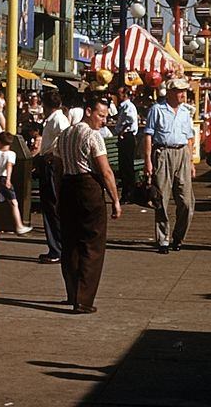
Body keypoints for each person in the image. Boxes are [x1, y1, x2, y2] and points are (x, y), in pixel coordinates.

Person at [55, 93, 122, 313]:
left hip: (67, 186)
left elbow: (57, 163)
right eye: (101, 116)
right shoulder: (93, 136)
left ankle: (72, 292)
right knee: (92, 244)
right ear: (89, 112)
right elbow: (105, 170)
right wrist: (115, 200)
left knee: (70, 242)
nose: (103, 121)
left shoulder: (65, 135)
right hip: (88, 188)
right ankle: (83, 299)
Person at [142, 77, 195, 253]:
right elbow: (148, 135)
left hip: (182, 153)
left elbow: (190, 137)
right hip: (163, 153)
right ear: (171, 92)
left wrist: (190, 161)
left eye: (184, 91)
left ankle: (179, 237)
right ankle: (163, 238)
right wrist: (148, 160)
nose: (183, 94)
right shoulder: (157, 110)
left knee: (186, 201)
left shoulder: (186, 112)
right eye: (180, 91)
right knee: (161, 198)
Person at [37, 89, 69, 264]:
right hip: (49, 161)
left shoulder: (58, 120)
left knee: (52, 205)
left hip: (52, 163)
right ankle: (55, 246)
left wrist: (54, 153)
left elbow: (64, 137)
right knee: (50, 205)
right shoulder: (54, 119)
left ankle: (57, 248)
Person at [0, 131, 32, 235]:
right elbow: (9, 166)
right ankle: (19, 226)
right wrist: (8, 180)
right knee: (14, 202)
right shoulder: (11, 154)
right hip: (4, 179)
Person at [113, 86, 139, 203]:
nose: (118, 96)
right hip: (125, 137)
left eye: (120, 94)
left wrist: (123, 131)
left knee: (127, 166)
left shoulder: (128, 106)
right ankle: (127, 193)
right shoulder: (124, 106)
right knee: (124, 166)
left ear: (125, 94)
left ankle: (129, 194)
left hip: (127, 137)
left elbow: (130, 120)